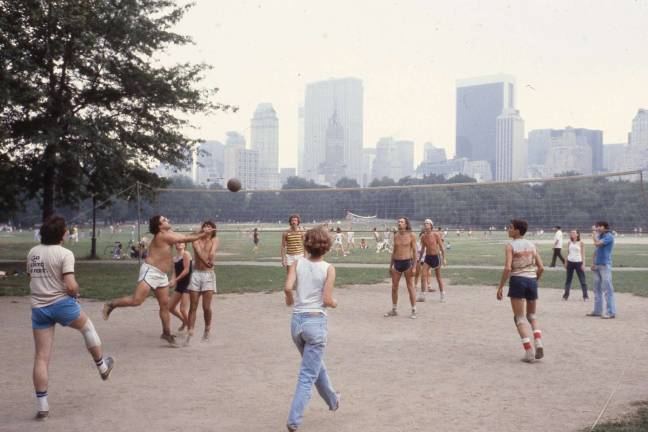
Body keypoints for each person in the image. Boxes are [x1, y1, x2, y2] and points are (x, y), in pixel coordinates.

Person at [28, 216, 114, 420]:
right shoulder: (65, 253)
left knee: (41, 357)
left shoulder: (33, 252)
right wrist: (75, 292)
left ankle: (43, 406)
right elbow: (71, 284)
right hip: (61, 304)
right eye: (65, 230)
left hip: (39, 308)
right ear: (61, 234)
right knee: (88, 328)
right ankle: (102, 367)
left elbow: (30, 278)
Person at [102, 216, 213, 346]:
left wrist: (201, 231)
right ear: (160, 226)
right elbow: (185, 239)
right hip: (151, 271)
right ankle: (111, 305)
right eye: (164, 219)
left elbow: (185, 236)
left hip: (161, 275)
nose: (167, 219)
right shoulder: (162, 236)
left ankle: (166, 333)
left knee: (164, 305)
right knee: (137, 301)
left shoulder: (169, 233)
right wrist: (203, 234)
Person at [284, 226, 340, 431]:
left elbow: (288, 287)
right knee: (308, 374)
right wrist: (335, 303)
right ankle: (293, 421)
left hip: (297, 323)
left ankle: (333, 401)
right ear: (326, 246)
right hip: (315, 322)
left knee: (316, 366)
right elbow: (326, 300)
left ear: (307, 244)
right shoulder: (328, 268)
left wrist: (290, 299)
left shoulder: (297, 263)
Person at [497, 219, 545, 363]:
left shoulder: (510, 245)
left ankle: (529, 352)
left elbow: (507, 268)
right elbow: (541, 267)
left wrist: (500, 287)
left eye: (510, 227)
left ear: (517, 231)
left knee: (519, 318)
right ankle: (539, 342)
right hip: (531, 280)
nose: (508, 229)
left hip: (518, 280)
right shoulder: (532, 244)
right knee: (532, 315)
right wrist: (534, 280)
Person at [186, 220, 219, 345]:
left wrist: (210, 257)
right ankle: (190, 331)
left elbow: (211, 252)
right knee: (193, 306)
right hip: (196, 274)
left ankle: (207, 329)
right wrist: (200, 235)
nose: (206, 228)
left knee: (206, 307)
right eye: (205, 226)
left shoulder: (215, 240)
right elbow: (199, 253)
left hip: (208, 275)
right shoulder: (196, 239)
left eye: (209, 227)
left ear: (213, 230)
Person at [384, 218, 418, 319]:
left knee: (410, 287)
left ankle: (414, 310)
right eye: (398, 222)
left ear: (406, 224)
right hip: (397, 263)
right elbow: (394, 252)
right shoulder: (396, 236)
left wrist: (414, 267)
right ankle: (394, 310)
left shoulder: (411, 236)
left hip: (407, 263)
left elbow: (415, 252)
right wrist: (390, 266)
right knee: (394, 287)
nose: (399, 223)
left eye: (402, 222)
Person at [587, 221, 616, 319]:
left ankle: (611, 312)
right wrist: (593, 263)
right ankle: (597, 311)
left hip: (605, 265)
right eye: (597, 226)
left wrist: (594, 234)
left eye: (599, 226)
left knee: (607, 289)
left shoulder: (609, 236)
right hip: (597, 266)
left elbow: (597, 244)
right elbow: (595, 252)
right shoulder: (600, 236)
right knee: (597, 289)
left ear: (605, 227)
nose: (597, 228)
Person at [419, 219, 446, 302]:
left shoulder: (436, 235)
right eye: (425, 223)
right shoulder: (423, 236)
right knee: (423, 276)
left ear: (431, 225)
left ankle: (442, 295)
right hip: (427, 258)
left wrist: (444, 258)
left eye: (428, 223)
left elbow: (441, 247)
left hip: (436, 257)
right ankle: (422, 296)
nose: (426, 224)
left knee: (438, 277)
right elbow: (423, 249)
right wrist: (419, 259)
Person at [168, 242, 192, 331]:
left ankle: (190, 328)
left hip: (188, 285)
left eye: (181, 243)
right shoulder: (175, 258)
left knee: (182, 309)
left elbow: (186, 270)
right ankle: (185, 322)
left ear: (185, 245)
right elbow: (174, 272)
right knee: (170, 307)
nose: (178, 244)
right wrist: (172, 281)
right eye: (177, 243)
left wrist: (175, 280)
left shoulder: (186, 254)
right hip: (179, 285)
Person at [562, 230, 588, 301]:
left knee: (582, 280)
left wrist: (583, 264)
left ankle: (585, 296)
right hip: (570, 262)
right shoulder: (569, 242)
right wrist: (565, 262)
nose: (572, 234)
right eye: (571, 233)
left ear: (577, 234)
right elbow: (568, 253)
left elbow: (583, 254)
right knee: (568, 280)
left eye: (573, 233)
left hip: (578, 263)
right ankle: (565, 296)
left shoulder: (581, 243)